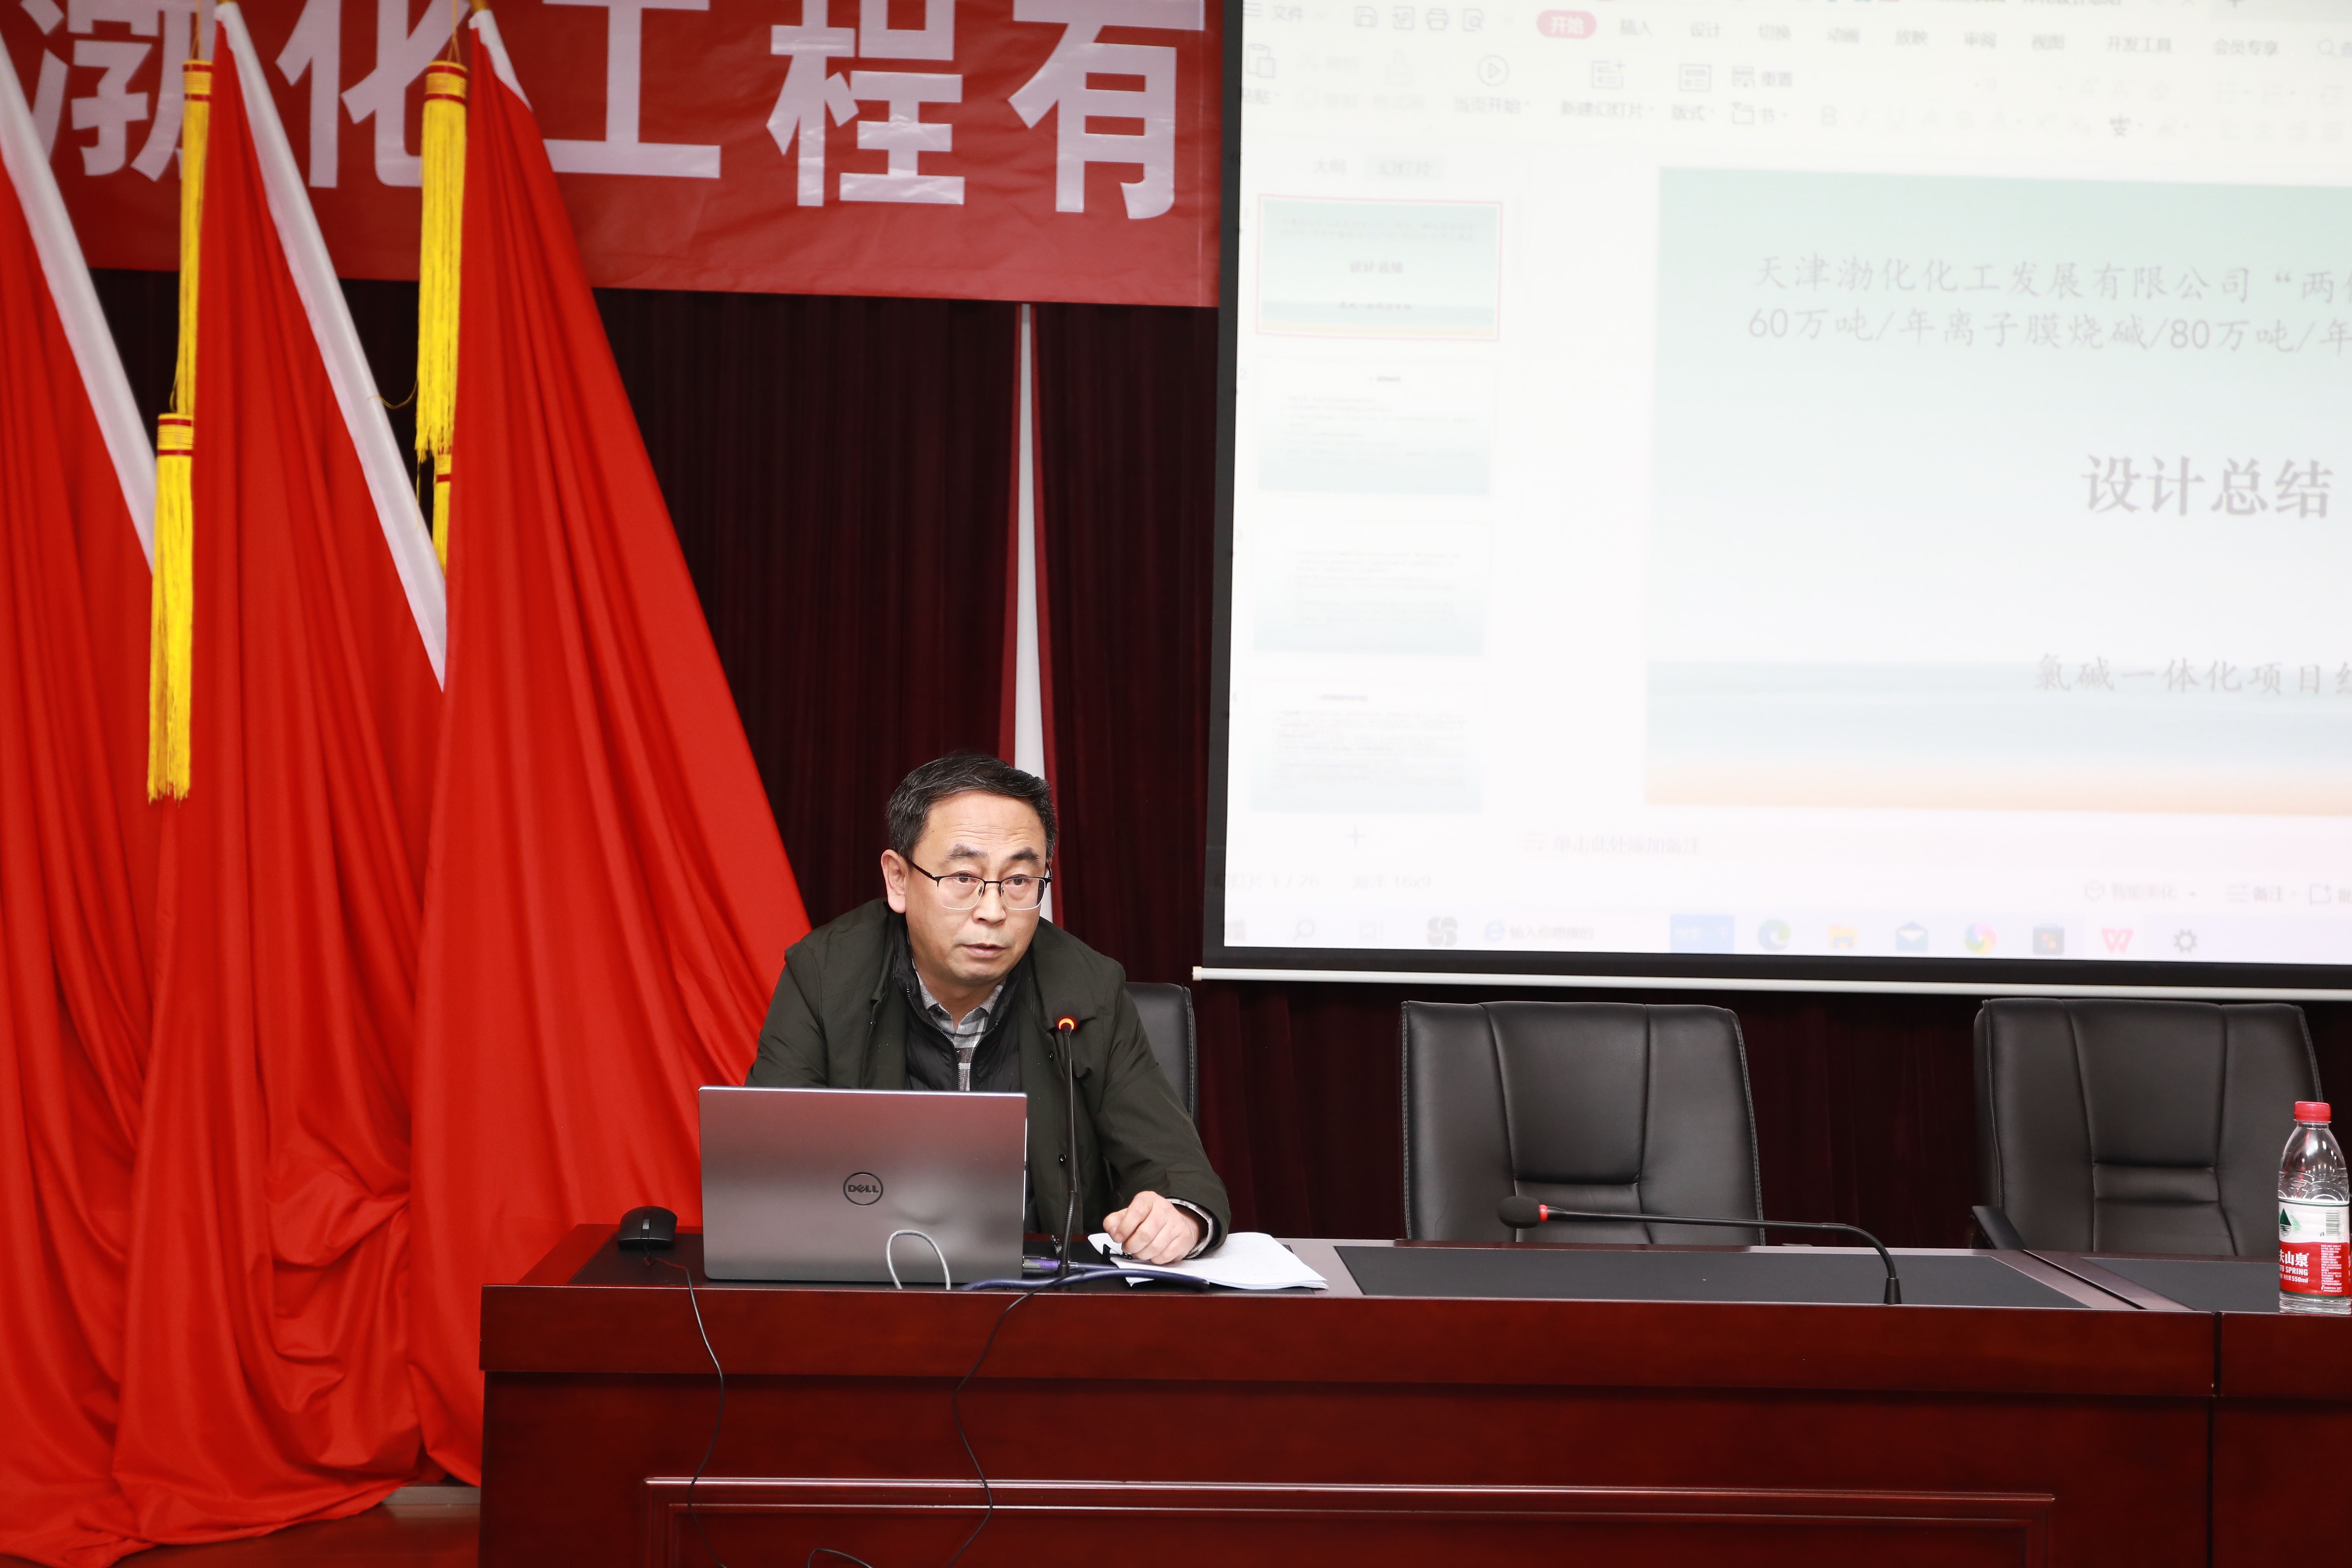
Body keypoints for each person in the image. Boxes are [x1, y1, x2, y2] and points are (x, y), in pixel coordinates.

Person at [746, 754, 1230, 1264]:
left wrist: (1178, 1218)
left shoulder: (1088, 989)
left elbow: (1179, 1171)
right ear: (898, 880)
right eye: (963, 877)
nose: (994, 911)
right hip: (868, 1276)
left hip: (1043, 1286)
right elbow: (766, 1168)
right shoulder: (824, 976)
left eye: (1019, 881)